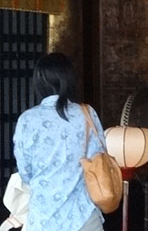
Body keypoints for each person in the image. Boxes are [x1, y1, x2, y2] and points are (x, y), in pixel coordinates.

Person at [13, 53, 106, 231]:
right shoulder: (87, 114)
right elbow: (100, 157)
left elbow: (25, 172)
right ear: (70, 80)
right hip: (83, 215)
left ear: (39, 82)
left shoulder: (28, 120)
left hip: (43, 218)